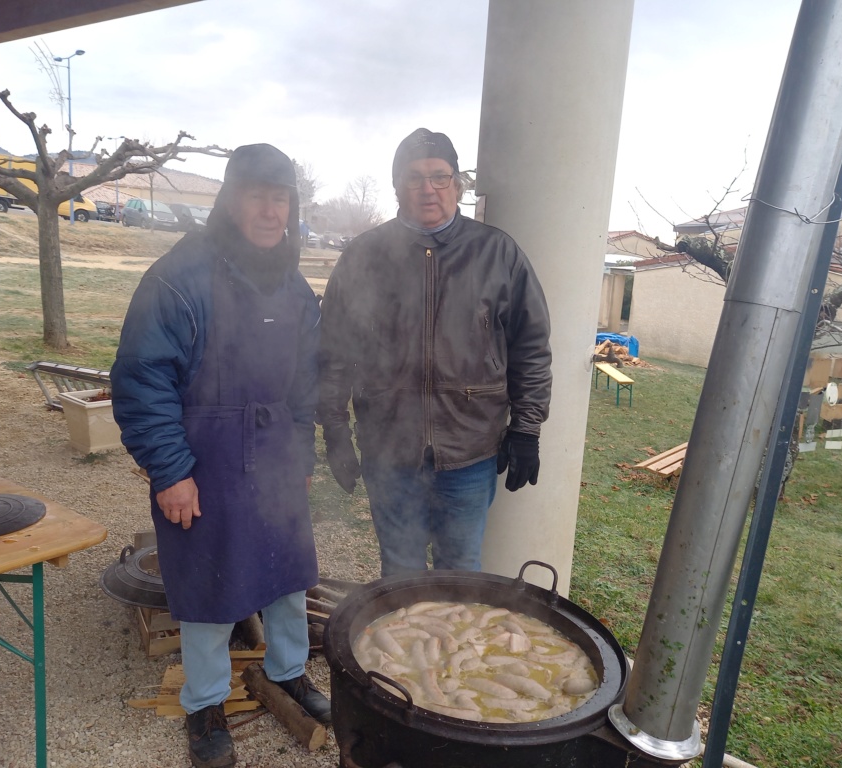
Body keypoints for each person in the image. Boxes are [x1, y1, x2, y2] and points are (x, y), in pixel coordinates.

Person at [111, 144, 329, 768]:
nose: (269, 209)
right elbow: (142, 378)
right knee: (207, 577)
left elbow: (306, 382)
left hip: (277, 446)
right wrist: (171, 470)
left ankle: (288, 672)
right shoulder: (179, 278)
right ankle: (204, 702)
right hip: (203, 452)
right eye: (257, 194)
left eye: (280, 196)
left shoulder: (294, 286)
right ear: (231, 200)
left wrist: (303, 446)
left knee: (289, 572)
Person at [318, 127, 552, 578]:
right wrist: (334, 431)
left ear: (458, 185)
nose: (427, 188)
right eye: (413, 177)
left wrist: (527, 429)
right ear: (396, 186)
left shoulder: (497, 253)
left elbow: (532, 348)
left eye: (439, 176)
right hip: (388, 450)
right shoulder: (364, 255)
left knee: (460, 572)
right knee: (400, 572)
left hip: (470, 450)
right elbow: (333, 352)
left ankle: (449, 650)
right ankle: (403, 651)